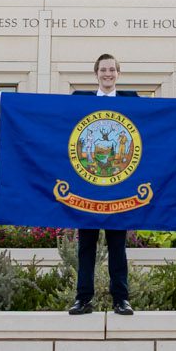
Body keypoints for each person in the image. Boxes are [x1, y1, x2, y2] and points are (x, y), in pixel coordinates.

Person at [68, 52, 137, 317]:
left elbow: (163, 116)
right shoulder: (79, 100)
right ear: (95, 74)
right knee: (86, 246)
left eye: (112, 70)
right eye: (103, 70)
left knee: (118, 246)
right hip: (86, 185)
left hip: (120, 187)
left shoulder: (131, 101)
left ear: (118, 74)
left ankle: (122, 299)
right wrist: (4, 101)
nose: (107, 74)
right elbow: (48, 112)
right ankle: (83, 299)